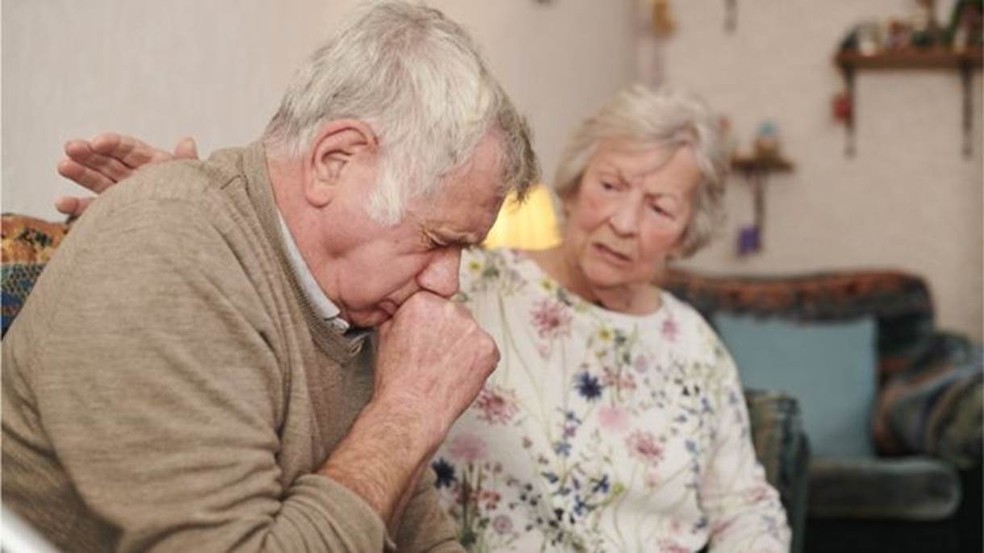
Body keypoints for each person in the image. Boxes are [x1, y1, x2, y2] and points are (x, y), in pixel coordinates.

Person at [54, 86, 791, 552]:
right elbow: (318, 260)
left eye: (659, 206)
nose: (624, 221)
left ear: (689, 231)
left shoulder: (693, 345)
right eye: (611, 185)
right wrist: (199, 203)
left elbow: (746, 509)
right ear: (573, 185)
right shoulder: (461, 282)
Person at [2, 2, 539, 552]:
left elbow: (420, 537)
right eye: (437, 240)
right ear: (335, 161)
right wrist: (407, 413)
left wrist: (403, 416)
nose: (447, 283)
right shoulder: (166, 246)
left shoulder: (354, 302)